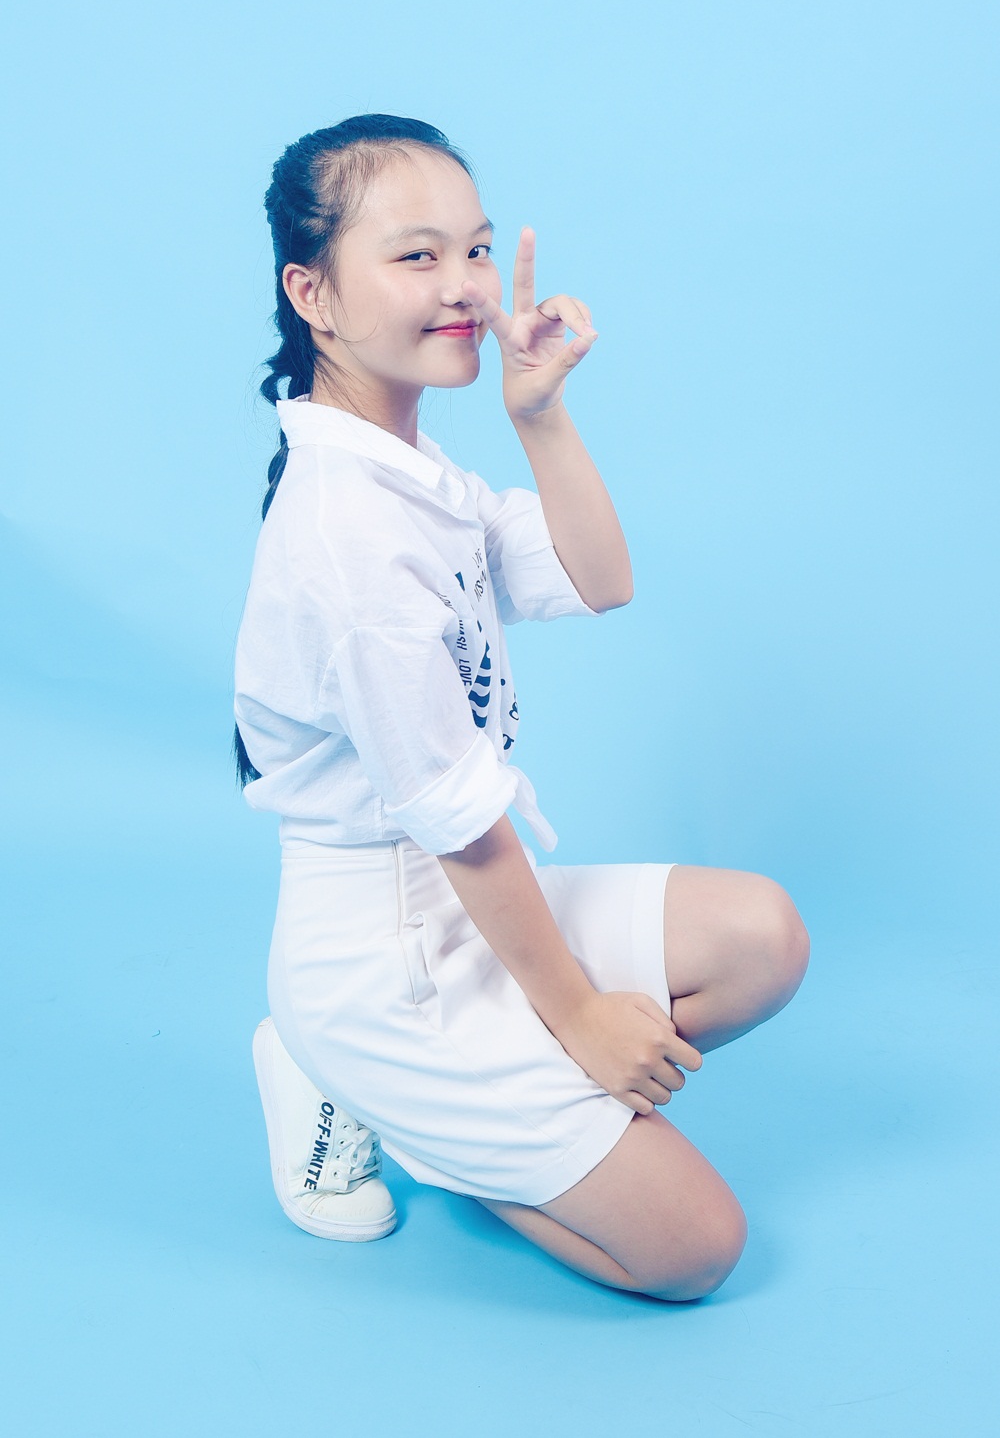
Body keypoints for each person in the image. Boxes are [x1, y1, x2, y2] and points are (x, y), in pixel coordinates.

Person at [233, 113, 810, 1301]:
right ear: (312, 294)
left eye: (476, 250)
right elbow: (459, 821)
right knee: (693, 1249)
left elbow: (600, 578)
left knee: (763, 938)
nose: (462, 286)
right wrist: (583, 1022)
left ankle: (481, 1098)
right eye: (415, 255)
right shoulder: (350, 542)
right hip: (384, 961)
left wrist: (537, 413)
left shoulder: (411, 474)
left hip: (470, 907)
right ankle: (356, 1082)